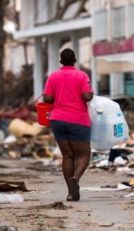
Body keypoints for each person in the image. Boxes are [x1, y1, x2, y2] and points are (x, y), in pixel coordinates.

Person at [43, 48, 94, 201]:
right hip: (78, 120)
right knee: (84, 153)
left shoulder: (53, 76)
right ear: (75, 60)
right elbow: (86, 96)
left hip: (57, 120)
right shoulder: (81, 75)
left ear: (61, 61)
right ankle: (76, 178)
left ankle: (71, 193)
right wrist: (90, 94)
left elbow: (47, 99)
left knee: (67, 155)